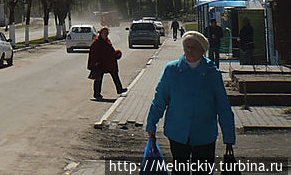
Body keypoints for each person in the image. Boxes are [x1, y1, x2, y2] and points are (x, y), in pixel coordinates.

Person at [146, 30, 235, 170]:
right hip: (178, 133)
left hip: (204, 134)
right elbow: (160, 100)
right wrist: (151, 124)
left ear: (202, 50)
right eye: (186, 46)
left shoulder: (212, 73)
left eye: (193, 47)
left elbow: (223, 106)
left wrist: (228, 136)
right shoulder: (172, 70)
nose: (189, 50)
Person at [87, 26, 126, 100]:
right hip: (100, 64)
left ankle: (119, 89)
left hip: (108, 63)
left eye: (106, 33)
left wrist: (116, 54)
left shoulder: (107, 41)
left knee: (115, 74)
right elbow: (93, 53)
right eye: (104, 33)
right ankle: (96, 94)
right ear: (100, 33)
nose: (105, 34)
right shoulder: (97, 42)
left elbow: (110, 51)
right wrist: (95, 62)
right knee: (98, 79)